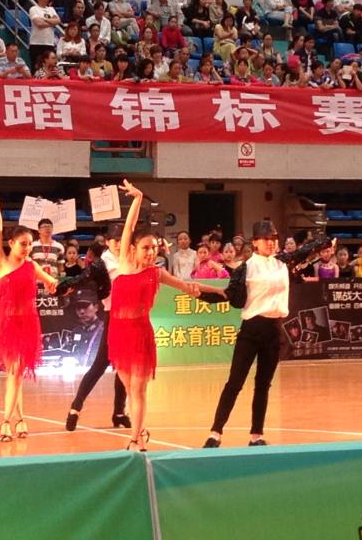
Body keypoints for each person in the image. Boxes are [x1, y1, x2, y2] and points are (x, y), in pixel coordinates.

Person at [200, 222, 331, 448]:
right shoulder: (246, 268)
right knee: (234, 383)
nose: (271, 242)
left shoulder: (283, 262)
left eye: (274, 238)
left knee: (263, 385)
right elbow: (230, 296)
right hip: (251, 331)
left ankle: (256, 435)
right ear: (255, 242)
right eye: (266, 238)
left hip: (274, 331)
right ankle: (215, 433)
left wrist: (324, 242)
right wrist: (198, 293)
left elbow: (305, 251)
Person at [106, 180, 201, 450]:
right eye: (146, 247)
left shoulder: (156, 273)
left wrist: (205, 291)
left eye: (154, 248)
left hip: (140, 334)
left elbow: (185, 285)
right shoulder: (124, 263)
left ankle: (135, 438)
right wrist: (137, 199)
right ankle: (141, 430)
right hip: (118, 334)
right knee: (128, 387)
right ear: (133, 249)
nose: (151, 252)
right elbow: (128, 228)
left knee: (138, 389)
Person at [0, 189, 57, 441]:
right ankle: (8, 421)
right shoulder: (1, 262)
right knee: (14, 374)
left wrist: (55, 284)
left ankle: (16, 421)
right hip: (9, 325)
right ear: (12, 243)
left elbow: (51, 282)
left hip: (29, 324)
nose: (27, 248)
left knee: (17, 375)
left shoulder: (32, 265)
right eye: (23, 243)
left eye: (30, 244)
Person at [62, 238, 130, 432]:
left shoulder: (130, 258)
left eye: (122, 240)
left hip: (130, 317)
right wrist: (65, 285)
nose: (120, 244)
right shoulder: (103, 263)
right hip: (112, 316)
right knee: (100, 364)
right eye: (116, 240)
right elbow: (84, 279)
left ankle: (119, 412)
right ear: (108, 241)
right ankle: (75, 407)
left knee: (124, 366)